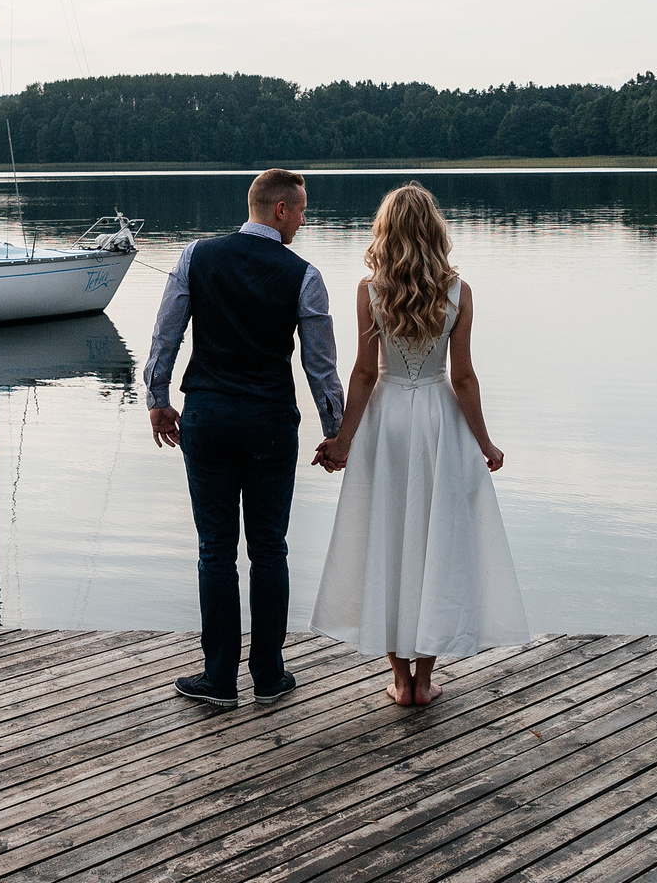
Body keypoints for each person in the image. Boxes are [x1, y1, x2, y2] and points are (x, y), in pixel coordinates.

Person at [311, 182, 527, 707]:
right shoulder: (459, 291)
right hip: (437, 425)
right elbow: (465, 379)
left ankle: (400, 682)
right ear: (435, 230)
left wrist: (342, 440)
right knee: (435, 541)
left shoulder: (370, 291)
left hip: (387, 424)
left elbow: (363, 375)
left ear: (385, 232)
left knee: (388, 537)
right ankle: (426, 681)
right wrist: (486, 442)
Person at [146, 167, 344, 708]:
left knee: (215, 549)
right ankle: (269, 675)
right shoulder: (304, 275)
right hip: (269, 422)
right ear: (280, 209)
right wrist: (337, 434)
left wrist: (159, 400)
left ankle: (218, 679)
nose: (304, 221)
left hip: (207, 417)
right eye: (301, 210)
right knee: (269, 549)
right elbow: (320, 367)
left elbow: (166, 333)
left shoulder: (195, 256)